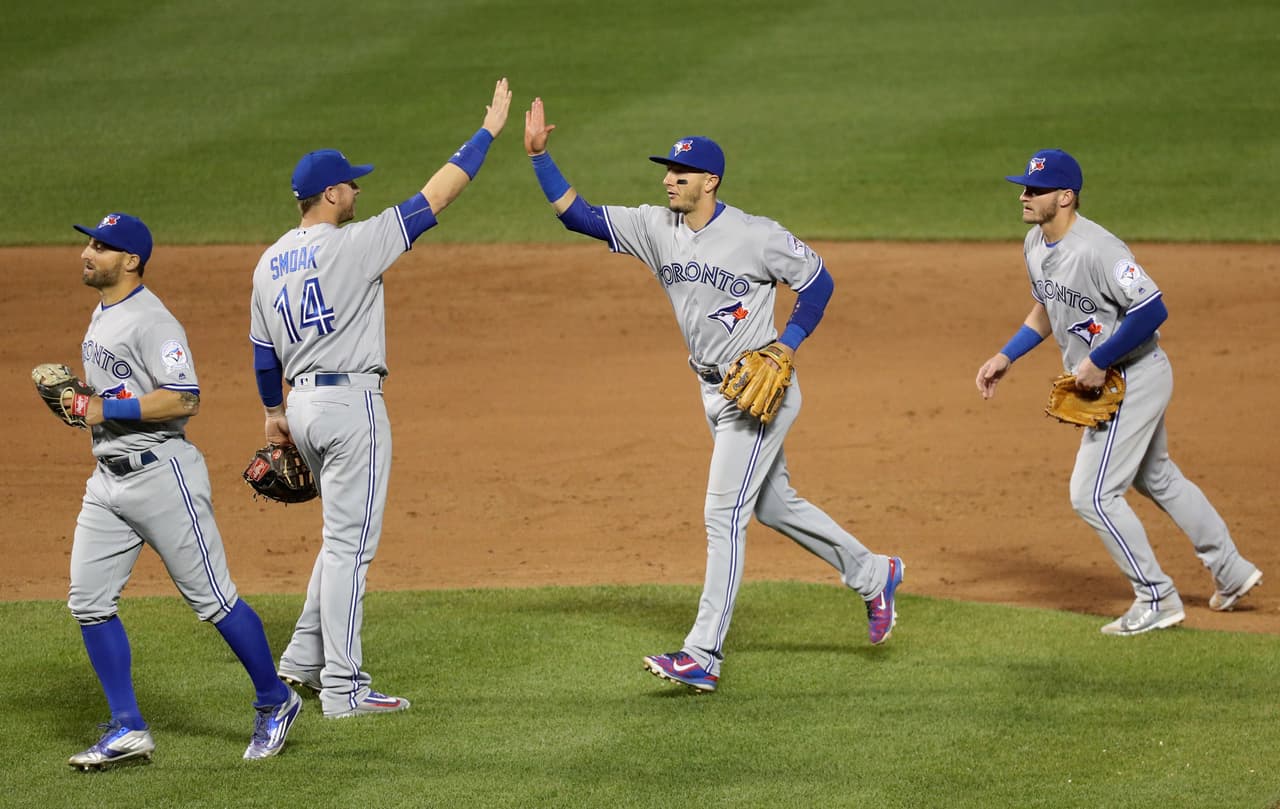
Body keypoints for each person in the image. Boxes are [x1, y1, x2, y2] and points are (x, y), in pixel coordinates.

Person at [522, 98, 904, 693]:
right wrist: (541, 158)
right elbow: (582, 217)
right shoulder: (656, 227)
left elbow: (819, 282)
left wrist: (789, 344)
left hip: (759, 391)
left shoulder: (755, 235)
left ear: (710, 181)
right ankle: (874, 573)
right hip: (714, 391)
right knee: (774, 505)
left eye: (680, 172)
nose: (668, 179)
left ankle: (703, 654)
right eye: (667, 171)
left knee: (722, 515)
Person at [249, 79, 511, 718]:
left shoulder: (268, 262)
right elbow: (438, 194)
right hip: (350, 407)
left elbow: (263, 354)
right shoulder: (354, 245)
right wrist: (489, 133)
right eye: (353, 185)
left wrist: (274, 413)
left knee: (338, 540)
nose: (359, 192)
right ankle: (344, 688)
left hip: (303, 406)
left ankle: (300, 665)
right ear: (332, 194)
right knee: (350, 548)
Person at [975, 149, 1263, 636]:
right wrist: (1007, 355)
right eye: (1024, 188)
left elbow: (1152, 309)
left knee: (1092, 494)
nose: (1024, 197)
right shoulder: (1033, 243)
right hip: (1117, 376)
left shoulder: (1099, 248)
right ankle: (1231, 572)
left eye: (1035, 190)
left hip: (1132, 376)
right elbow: (1045, 308)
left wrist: (1097, 360)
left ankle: (1157, 598)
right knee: (1158, 478)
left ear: (1065, 197)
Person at [63, 212, 301, 770]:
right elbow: (115, 394)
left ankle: (276, 699)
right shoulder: (102, 314)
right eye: (89, 243)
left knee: (213, 600)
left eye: (101, 246)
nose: (87, 253)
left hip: (161, 475)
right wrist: (81, 404)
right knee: (89, 602)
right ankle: (128, 728)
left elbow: (184, 397)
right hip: (108, 482)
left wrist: (102, 408)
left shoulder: (154, 322)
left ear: (132, 260)